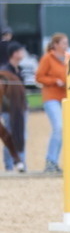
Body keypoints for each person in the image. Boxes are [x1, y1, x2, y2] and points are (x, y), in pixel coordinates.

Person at [35, 33, 69, 174]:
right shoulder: (47, 58)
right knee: (58, 127)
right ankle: (50, 161)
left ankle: (54, 162)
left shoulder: (68, 58)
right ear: (55, 44)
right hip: (51, 97)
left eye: (66, 42)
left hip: (65, 98)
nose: (66, 45)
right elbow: (39, 77)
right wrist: (55, 81)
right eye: (63, 43)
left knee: (63, 130)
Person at [1, 41, 28, 172]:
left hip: (20, 108)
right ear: (15, 53)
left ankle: (19, 163)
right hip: (8, 109)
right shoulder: (5, 71)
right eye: (21, 51)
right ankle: (10, 165)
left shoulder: (20, 70)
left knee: (20, 134)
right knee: (10, 134)